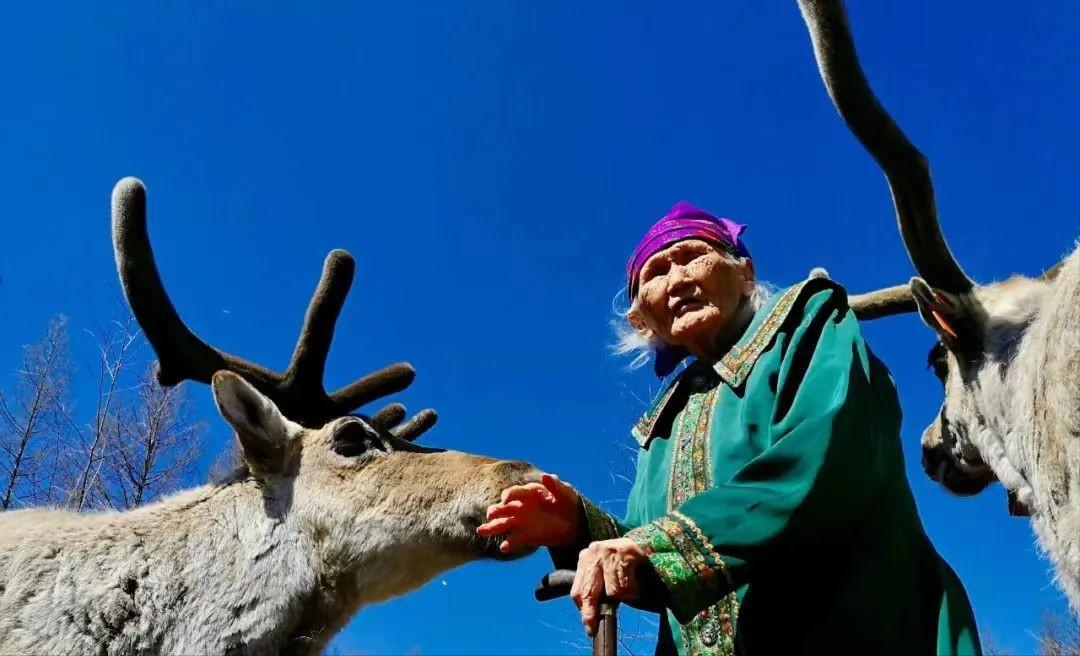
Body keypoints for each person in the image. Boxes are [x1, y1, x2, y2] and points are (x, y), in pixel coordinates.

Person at [478, 202, 982, 655]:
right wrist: (579, 529)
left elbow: (826, 459)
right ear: (640, 319)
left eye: (694, 256)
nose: (676, 280)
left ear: (745, 273)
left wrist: (651, 548)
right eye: (655, 272)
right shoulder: (664, 423)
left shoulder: (807, 324)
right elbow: (655, 558)